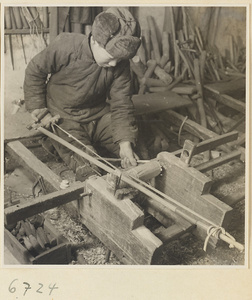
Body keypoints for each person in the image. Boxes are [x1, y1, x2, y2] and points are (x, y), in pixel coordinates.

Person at [24, 7, 141, 181]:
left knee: (132, 153)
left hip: (98, 115)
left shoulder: (120, 65)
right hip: (63, 116)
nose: (114, 63)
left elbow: (121, 104)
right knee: (86, 162)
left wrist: (125, 143)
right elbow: (35, 71)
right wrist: (40, 109)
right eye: (110, 57)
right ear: (94, 41)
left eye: (119, 59)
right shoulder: (66, 45)